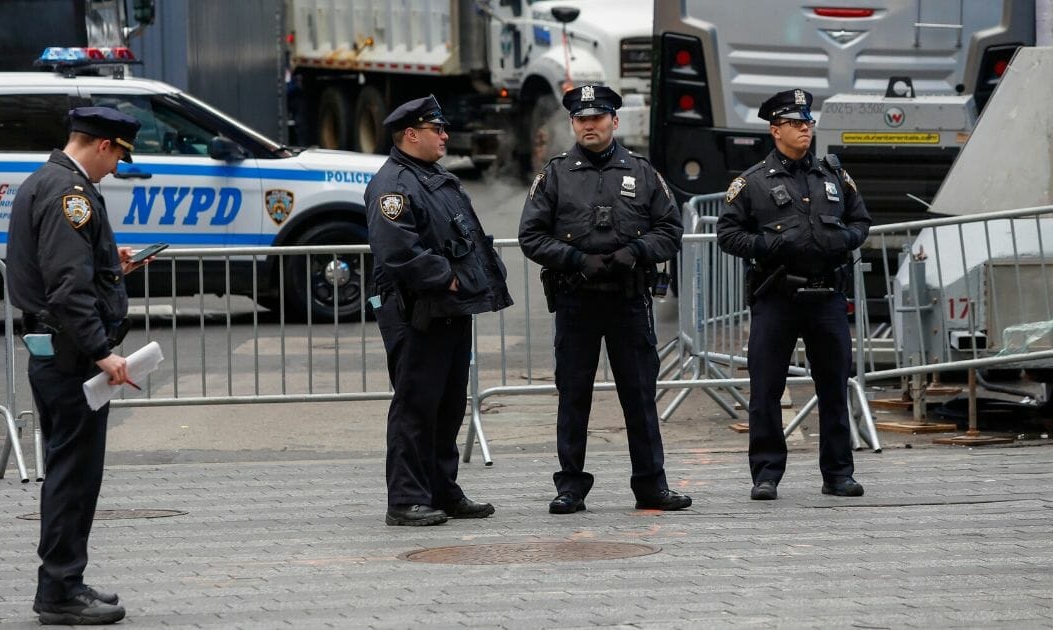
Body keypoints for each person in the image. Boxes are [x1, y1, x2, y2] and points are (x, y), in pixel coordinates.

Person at [518, 84, 692, 514]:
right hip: (577, 302)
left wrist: (634, 252)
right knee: (574, 396)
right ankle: (570, 487)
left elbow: (670, 229)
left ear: (614, 121)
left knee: (639, 396)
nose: (589, 125)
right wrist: (575, 258)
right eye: (581, 119)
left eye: (597, 118)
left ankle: (651, 485)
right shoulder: (555, 175)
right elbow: (531, 236)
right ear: (573, 123)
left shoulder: (643, 172)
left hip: (627, 301)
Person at [7, 106, 148, 625]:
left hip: (57, 353)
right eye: (118, 158)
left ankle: (67, 580)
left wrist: (114, 264)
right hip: (71, 360)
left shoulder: (46, 182)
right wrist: (102, 352)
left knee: (71, 472)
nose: (116, 169)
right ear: (104, 145)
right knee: (73, 475)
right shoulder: (71, 195)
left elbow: (67, 269)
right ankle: (61, 592)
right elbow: (67, 287)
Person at [716, 89, 872, 501]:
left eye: (808, 123)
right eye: (795, 123)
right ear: (775, 130)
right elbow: (728, 234)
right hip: (777, 298)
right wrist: (766, 246)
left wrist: (844, 239)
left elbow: (861, 219)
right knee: (766, 389)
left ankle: (838, 474)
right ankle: (766, 474)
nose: (805, 129)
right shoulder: (752, 182)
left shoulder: (833, 175)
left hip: (827, 297)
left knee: (834, 387)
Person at [365, 95, 513, 526]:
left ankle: (442, 490)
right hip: (418, 312)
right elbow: (397, 250)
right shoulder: (393, 184)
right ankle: (406, 499)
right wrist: (446, 278)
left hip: (450, 308)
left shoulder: (433, 178)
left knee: (447, 405)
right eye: (437, 129)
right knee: (416, 405)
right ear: (411, 134)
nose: (445, 136)